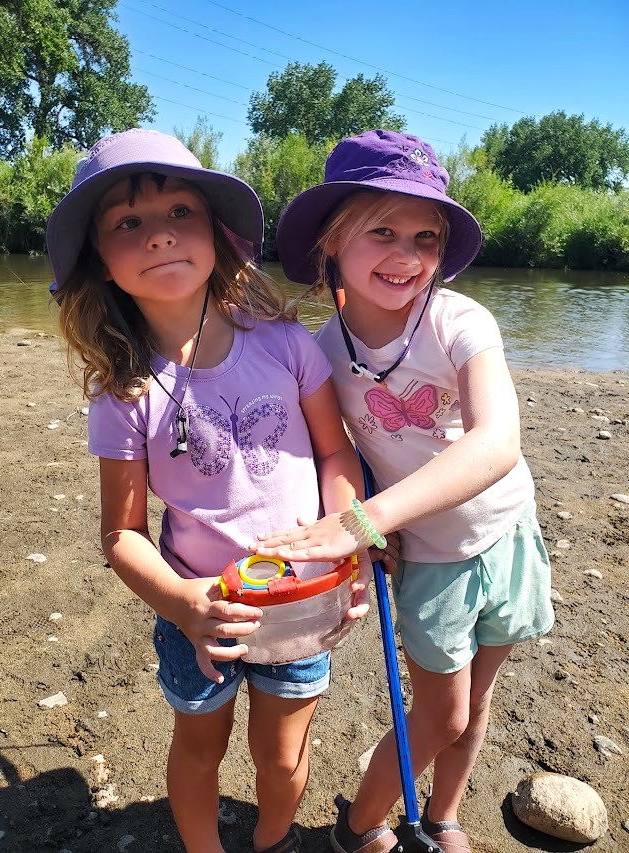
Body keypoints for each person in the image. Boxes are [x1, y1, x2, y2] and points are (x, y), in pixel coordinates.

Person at [46, 128, 371, 853]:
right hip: (200, 606)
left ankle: (272, 840)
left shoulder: (284, 341)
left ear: (217, 235)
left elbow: (335, 454)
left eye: (179, 213)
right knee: (199, 748)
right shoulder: (123, 390)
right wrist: (183, 604)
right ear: (101, 256)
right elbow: (121, 534)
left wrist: (353, 542)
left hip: (303, 595)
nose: (158, 236)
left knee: (282, 754)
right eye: (128, 223)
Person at [254, 129, 555, 853]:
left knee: (477, 700)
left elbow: (496, 441)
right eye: (381, 231)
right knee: (442, 712)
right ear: (331, 245)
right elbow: (342, 451)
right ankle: (358, 825)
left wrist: (364, 520)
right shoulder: (321, 352)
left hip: (509, 526)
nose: (407, 254)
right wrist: (363, 521)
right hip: (431, 554)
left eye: (426, 235)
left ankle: (445, 812)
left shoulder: (461, 321)